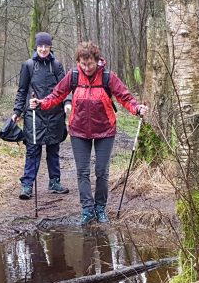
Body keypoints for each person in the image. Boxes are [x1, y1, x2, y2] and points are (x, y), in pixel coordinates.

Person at [30, 41, 147, 225]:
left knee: (101, 171)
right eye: (83, 64)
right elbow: (57, 95)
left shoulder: (108, 77)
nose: (87, 68)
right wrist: (41, 103)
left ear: (97, 60)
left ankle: (100, 208)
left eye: (90, 63)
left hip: (105, 130)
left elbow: (125, 96)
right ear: (78, 62)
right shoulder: (74, 76)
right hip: (78, 130)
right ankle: (87, 210)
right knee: (82, 172)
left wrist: (136, 108)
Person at [13, 32, 71, 200]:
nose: (43, 49)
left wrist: (67, 102)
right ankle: (27, 185)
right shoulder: (28, 65)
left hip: (55, 115)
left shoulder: (57, 66)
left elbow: (65, 88)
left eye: (46, 46)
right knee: (33, 150)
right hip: (33, 115)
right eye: (40, 46)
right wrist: (18, 111)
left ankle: (54, 182)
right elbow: (22, 91)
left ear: (50, 47)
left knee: (53, 149)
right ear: (36, 47)